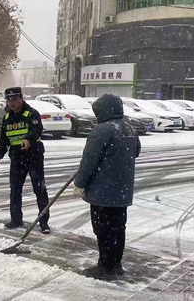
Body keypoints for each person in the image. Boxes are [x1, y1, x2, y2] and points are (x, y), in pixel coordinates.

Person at [73, 94, 141, 279]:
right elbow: (136, 152)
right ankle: (115, 263)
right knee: (118, 229)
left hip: (102, 193)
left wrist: (79, 183)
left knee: (103, 230)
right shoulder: (129, 128)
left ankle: (105, 266)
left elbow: (89, 161)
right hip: (122, 193)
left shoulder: (101, 130)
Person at [0, 87, 50, 234]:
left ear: (21, 99)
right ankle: (16, 220)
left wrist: (28, 140)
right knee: (15, 191)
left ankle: (44, 223)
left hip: (34, 157)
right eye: (9, 100)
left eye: (14, 99)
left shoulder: (30, 114)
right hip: (17, 159)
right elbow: (3, 140)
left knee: (40, 190)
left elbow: (37, 130)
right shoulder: (7, 118)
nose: (11, 103)